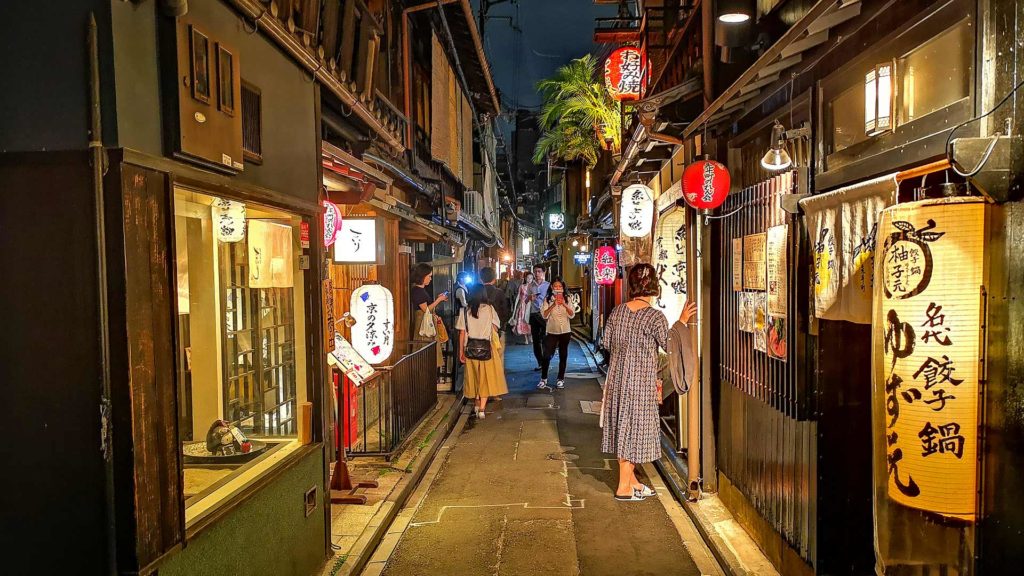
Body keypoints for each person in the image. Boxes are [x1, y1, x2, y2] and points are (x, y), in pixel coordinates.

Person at [600, 263, 696, 502]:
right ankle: (624, 486)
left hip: (617, 379)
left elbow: (607, 343)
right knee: (634, 429)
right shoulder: (654, 316)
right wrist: (681, 322)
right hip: (641, 382)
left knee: (623, 425)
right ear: (654, 286)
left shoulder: (618, 312)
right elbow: (669, 344)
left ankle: (633, 482)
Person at [457, 284, 509, 418]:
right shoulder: (490, 309)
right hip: (487, 348)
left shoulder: (464, 311)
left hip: (470, 349)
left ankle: (476, 403)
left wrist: (461, 352)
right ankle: (481, 409)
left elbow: (462, 333)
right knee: (485, 378)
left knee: (474, 377)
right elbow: (496, 328)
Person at [538, 278, 575, 390]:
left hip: (565, 331)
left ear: (563, 288)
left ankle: (560, 378)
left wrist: (564, 304)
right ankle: (544, 378)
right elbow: (544, 315)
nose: (558, 288)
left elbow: (572, 314)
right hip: (552, 331)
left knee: (563, 355)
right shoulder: (547, 299)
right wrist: (553, 304)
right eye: (555, 286)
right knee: (546, 355)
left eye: (560, 286)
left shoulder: (568, 298)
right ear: (552, 288)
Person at [410, 262, 447, 368]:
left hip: (427, 323)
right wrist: (439, 300)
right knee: (424, 349)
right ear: (423, 276)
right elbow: (426, 309)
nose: (430, 279)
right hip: (424, 325)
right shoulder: (417, 291)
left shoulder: (420, 290)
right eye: (429, 276)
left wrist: (437, 299)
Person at [479, 266, 511, 347]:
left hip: (479, 327)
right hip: (495, 327)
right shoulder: (499, 292)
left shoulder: (476, 292)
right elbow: (505, 310)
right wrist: (502, 325)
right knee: (497, 352)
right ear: (494, 279)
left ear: (480, 279)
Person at [526, 266, 550, 370]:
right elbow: (526, 300)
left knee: (546, 338)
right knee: (536, 340)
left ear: (543, 273)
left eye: (539, 271)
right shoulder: (530, 286)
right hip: (533, 314)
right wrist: (529, 298)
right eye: (535, 271)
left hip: (544, 315)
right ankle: (540, 363)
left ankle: (546, 361)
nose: (537, 274)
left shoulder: (548, 285)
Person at [512, 272, 534, 345]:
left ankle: (530, 335)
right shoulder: (522, 286)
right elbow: (518, 297)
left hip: (530, 306)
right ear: (525, 278)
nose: (529, 279)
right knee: (522, 321)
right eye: (528, 278)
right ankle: (526, 339)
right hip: (522, 306)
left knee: (530, 321)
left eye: (531, 278)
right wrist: (515, 307)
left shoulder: (534, 287)